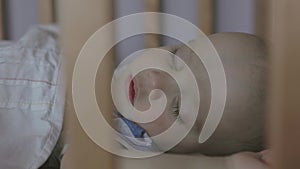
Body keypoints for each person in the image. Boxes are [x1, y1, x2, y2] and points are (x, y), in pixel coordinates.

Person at [114, 32, 270, 168]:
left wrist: (226, 165)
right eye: (176, 57)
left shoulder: (134, 151)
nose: (155, 82)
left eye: (178, 109)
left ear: (196, 157)